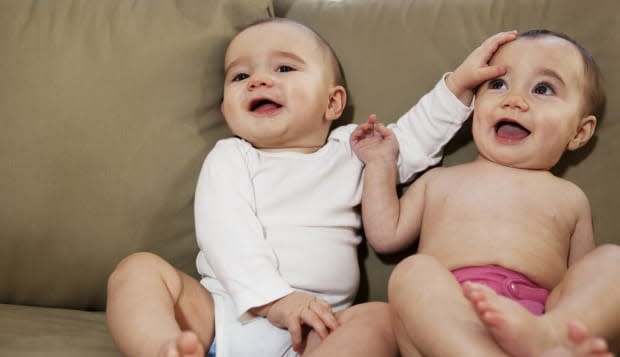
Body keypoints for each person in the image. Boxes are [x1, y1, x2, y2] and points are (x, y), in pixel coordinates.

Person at [106, 17, 517, 357]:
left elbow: (407, 142)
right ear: (226, 111)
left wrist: (460, 85)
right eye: (241, 76)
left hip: (316, 329)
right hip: (222, 316)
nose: (259, 81)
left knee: (380, 319)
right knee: (137, 271)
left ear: (333, 103)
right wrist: (274, 300)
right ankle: (163, 349)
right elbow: (224, 234)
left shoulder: (351, 151)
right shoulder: (232, 157)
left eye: (284, 68)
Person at [351, 29, 620, 357]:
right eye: (498, 84)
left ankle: (554, 336)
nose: (514, 100)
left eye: (543, 89)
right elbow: (385, 234)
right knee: (412, 272)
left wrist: (563, 322)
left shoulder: (569, 198)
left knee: (612, 261)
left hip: (539, 321)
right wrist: (381, 164)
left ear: (579, 132)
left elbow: (583, 283)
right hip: (446, 324)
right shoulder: (439, 181)